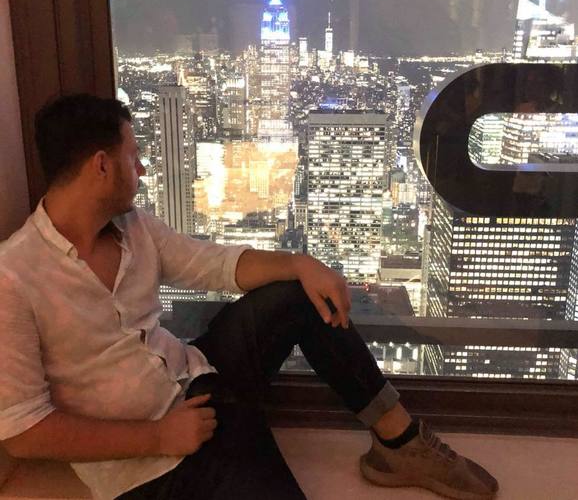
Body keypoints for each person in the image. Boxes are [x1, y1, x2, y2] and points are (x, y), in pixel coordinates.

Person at [0, 95, 498, 500]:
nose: (144, 169)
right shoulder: (13, 278)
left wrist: (300, 264)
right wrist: (160, 436)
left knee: (297, 293)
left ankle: (399, 442)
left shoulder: (134, 227)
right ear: (101, 166)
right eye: (134, 157)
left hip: (198, 380)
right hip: (148, 463)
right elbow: (23, 433)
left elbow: (215, 264)